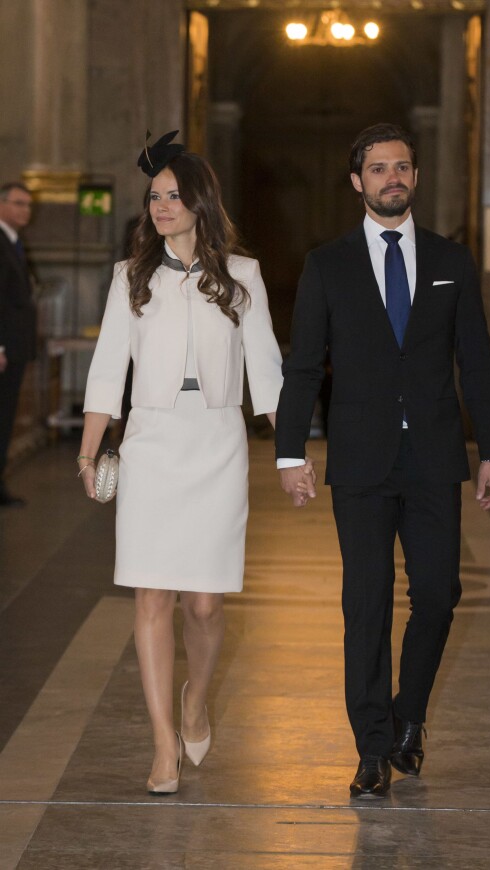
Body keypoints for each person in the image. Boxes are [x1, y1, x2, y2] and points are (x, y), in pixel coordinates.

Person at [275, 123, 490, 799]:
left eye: (402, 167)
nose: (392, 178)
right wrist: (292, 450)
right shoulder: (328, 264)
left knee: (439, 593)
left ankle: (410, 714)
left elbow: (479, 363)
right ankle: (373, 748)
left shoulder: (450, 259)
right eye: (378, 169)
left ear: (415, 177)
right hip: (361, 461)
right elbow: (303, 365)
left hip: (435, 457)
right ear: (358, 182)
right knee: (367, 605)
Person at [78, 131, 286, 795]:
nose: (161, 206)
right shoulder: (129, 277)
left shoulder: (244, 275)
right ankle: (164, 744)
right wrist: (89, 450)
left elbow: (269, 374)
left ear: (199, 202)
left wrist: (291, 455)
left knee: (201, 604)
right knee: (151, 595)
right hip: (151, 442)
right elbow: (109, 369)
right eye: (154, 197)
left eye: (173, 195)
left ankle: (197, 700)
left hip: (217, 442)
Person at [0, 182, 36, 507]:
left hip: (14, 346)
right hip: (3, 348)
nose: (26, 209)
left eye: (28, 204)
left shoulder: (14, 242)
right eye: (19, 203)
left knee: (5, 415)